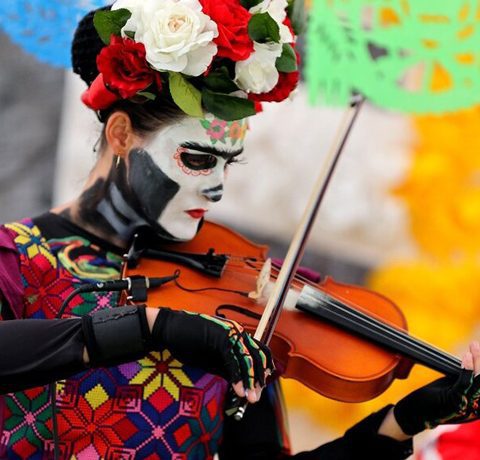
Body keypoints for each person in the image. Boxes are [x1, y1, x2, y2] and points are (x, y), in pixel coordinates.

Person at [1, 1, 480, 458]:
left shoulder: (242, 310)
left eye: (226, 166)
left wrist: (405, 419)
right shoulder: (16, 257)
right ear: (121, 134)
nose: (216, 190)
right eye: (196, 159)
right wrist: (151, 326)